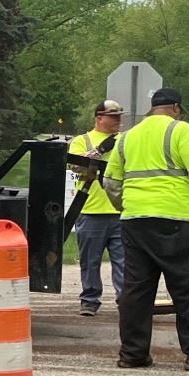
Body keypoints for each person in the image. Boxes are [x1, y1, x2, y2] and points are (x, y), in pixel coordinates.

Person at [104, 86, 189, 372]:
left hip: (135, 221)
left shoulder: (126, 138)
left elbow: (111, 183)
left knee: (136, 290)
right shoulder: (181, 131)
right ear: (175, 108)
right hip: (175, 220)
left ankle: (133, 354)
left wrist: (125, 207)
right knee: (188, 289)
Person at [67, 99, 126, 317]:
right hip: (91, 209)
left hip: (120, 209)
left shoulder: (124, 141)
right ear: (99, 118)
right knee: (90, 261)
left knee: (124, 261)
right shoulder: (82, 141)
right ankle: (90, 300)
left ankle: (125, 300)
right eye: (113, 117)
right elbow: (74, 165)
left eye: (119, 116)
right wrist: (98, 152)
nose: (118, 121)